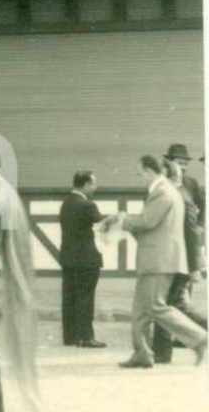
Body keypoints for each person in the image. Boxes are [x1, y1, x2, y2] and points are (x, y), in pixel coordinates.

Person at [118, 155, 208, 368]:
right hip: (157, 259)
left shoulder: (162, 192)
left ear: (150, 171)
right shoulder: (168, 191)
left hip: (159, 260)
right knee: (140, 310)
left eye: (140, 174)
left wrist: (123, 219)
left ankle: (199, 338)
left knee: (156, 306)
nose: (139, 178)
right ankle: (142, 354)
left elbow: (148, 221)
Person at [152, 158, 208, 363]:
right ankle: (162, 352)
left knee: (164, 304)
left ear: (168, 176)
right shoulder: (176, 194)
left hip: (179, 260)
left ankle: (162, 353)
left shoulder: (180, 196)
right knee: (175, 304)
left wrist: (194, 267)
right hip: (176, 259)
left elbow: (192, 232)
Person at [58, 170, 108, 348]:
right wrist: (118, 219)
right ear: (86, 184)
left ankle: (70, 336)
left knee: (69, 297)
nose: (95, 187)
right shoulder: (88, 206)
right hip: (86, 259)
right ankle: (86, 337)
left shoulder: (66, 203)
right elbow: (102, 225)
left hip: (68, 258)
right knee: (86, 298)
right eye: (94, 184)